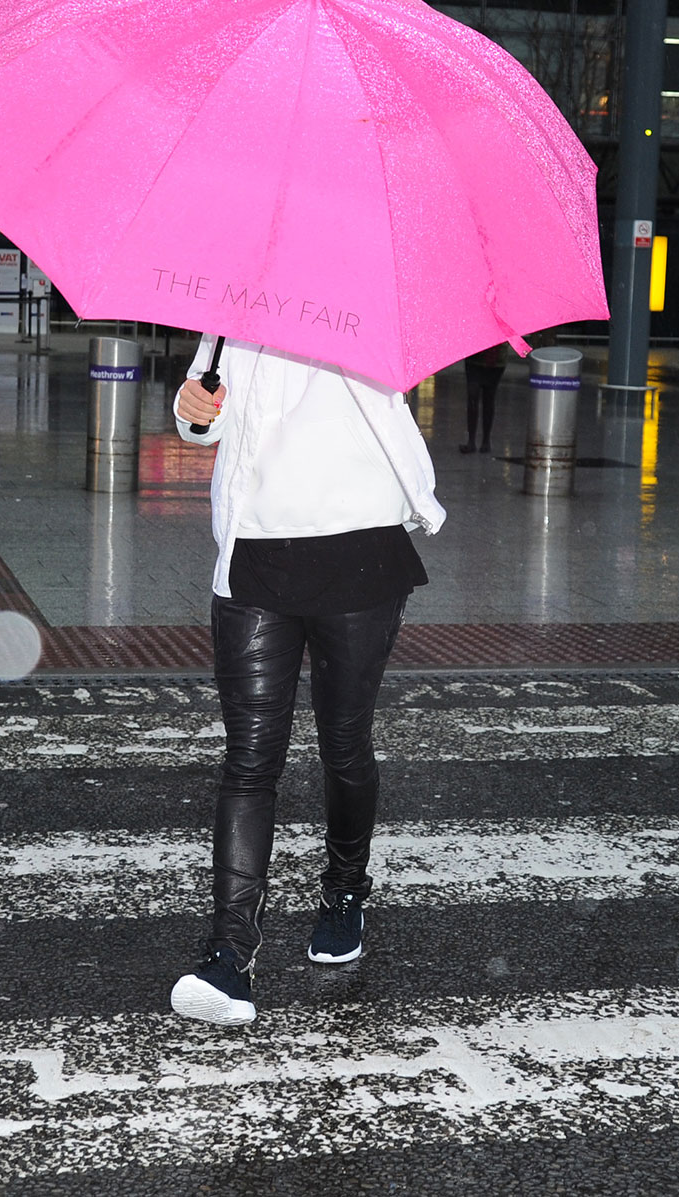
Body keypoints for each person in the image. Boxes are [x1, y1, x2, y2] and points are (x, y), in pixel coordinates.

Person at [168, 335, 445, 1026]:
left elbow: (397, 386)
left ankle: (346, 889)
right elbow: (205, 420)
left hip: (361, 549)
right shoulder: (236, 298)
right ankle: (229, 954)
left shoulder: (370, 294)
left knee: (343, 742)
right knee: (249, 758)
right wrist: (192, 408)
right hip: (257, 553)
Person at [459, 342, 508, 454]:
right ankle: (473, 440)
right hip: (478, 357)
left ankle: (484, 440)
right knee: (475, 397)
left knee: (488, 398)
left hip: (494, 359)